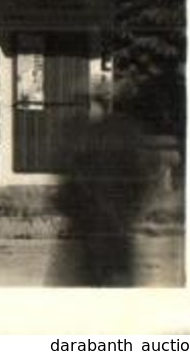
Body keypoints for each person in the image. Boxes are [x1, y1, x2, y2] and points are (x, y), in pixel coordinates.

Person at [50, 79, 156, 287]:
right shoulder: (128, 131)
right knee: (117, 290)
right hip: (117, 226)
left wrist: (68, 208)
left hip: (87, 228)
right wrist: (131, 213)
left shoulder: (81, 134)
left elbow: (67, 181)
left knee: (85, 287)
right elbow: (142, 179)